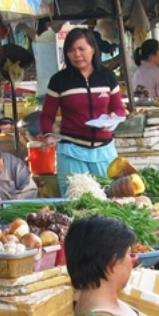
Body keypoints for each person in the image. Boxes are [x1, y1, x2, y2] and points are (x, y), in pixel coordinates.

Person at [39, 28, 125, 193]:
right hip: (71, 151)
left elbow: (118, 108)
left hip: (104, 151)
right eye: (71, 50)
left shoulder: (107, 77)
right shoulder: (59, 81)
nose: (76, 54)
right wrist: (47, 134)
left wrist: (114, 118)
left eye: (81, 49)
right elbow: (47, 115)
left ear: (93, 48)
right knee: (75, 202)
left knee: (111, 200)